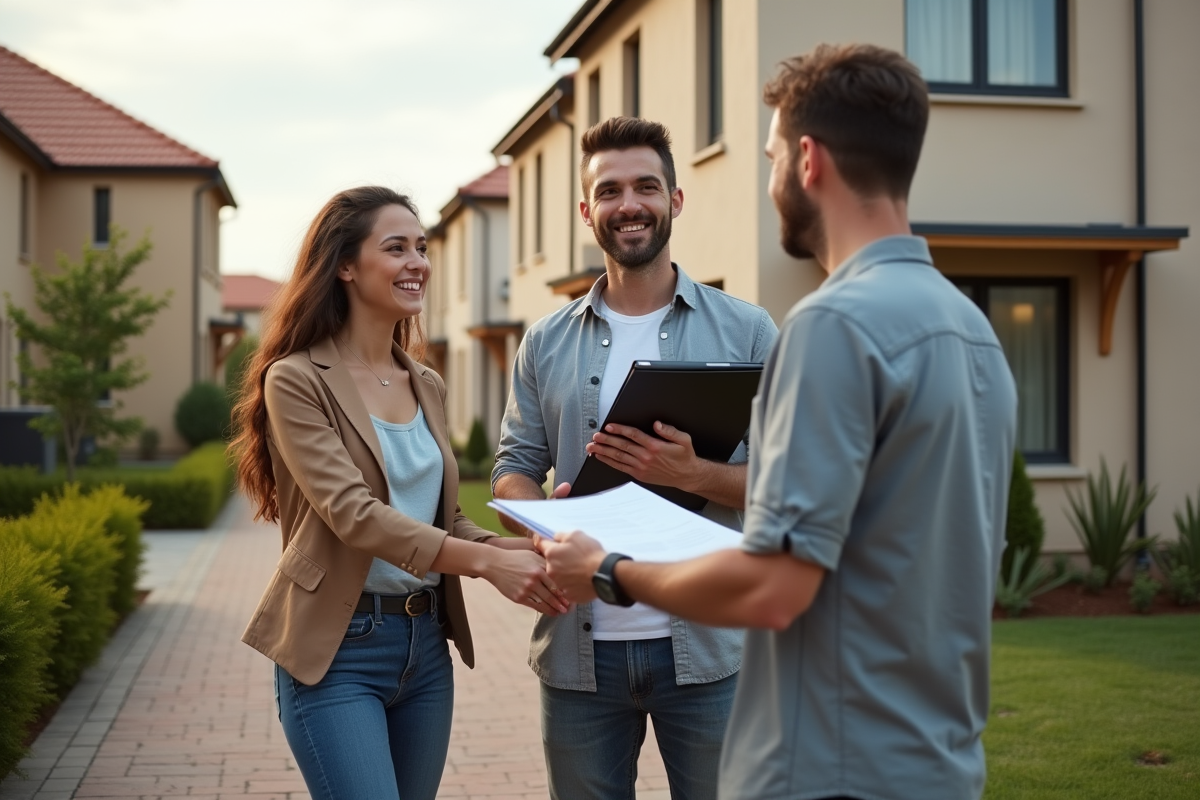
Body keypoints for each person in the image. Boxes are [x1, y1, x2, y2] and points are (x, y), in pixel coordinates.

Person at [541, 44, 1019, 800]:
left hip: (829, 763)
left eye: (768, 159)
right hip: (939, 765)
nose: (769, 184)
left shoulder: (832, 327)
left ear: (807, 160)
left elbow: (774, 586)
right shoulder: (972, 329)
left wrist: (604, 570)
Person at [231, 186, 568, 800]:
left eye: (422, 247)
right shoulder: (297, 379)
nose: (418, 262)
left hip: (424, 649)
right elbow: (356, 517)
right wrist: (488, 564)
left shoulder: (426, 382)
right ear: (345, 266)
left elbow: (444, 517)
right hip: (336, 651)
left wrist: (528, 543)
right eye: (396, 248)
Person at [492, 116, 778, 800]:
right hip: (579, 654)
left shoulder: (747, 330)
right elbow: (512, 468)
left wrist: (694, 475)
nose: (630, 204)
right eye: (610, 190)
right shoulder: (544, 343)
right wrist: (542, 521)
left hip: (711, 651)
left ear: (674, 200)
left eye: (646, 186)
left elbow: (791, 484)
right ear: (587, 210)